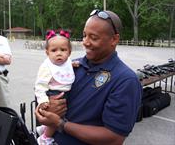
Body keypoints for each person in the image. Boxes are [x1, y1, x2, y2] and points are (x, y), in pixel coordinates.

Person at [35, 9, 142, 145]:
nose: (85, 42)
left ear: (114, 39)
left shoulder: (125, 80)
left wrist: (60, 124)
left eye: (94, 37)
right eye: (84, 35)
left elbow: (114, 138)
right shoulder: (72, 65)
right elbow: (43, 89)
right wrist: (44, 107)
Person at [34, 30, 75, 145]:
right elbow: (40, 86)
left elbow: (64, 68)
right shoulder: (47, 67)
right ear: (47, 52)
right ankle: (44, 138)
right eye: (54, 50)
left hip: (64, 94)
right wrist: (43, 101)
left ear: (69, 52)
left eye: (63, 50)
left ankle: (43, 129)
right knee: (57, 119)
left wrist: (71, 66)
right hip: (54, 95)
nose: (59, 53)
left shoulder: (67, 63)